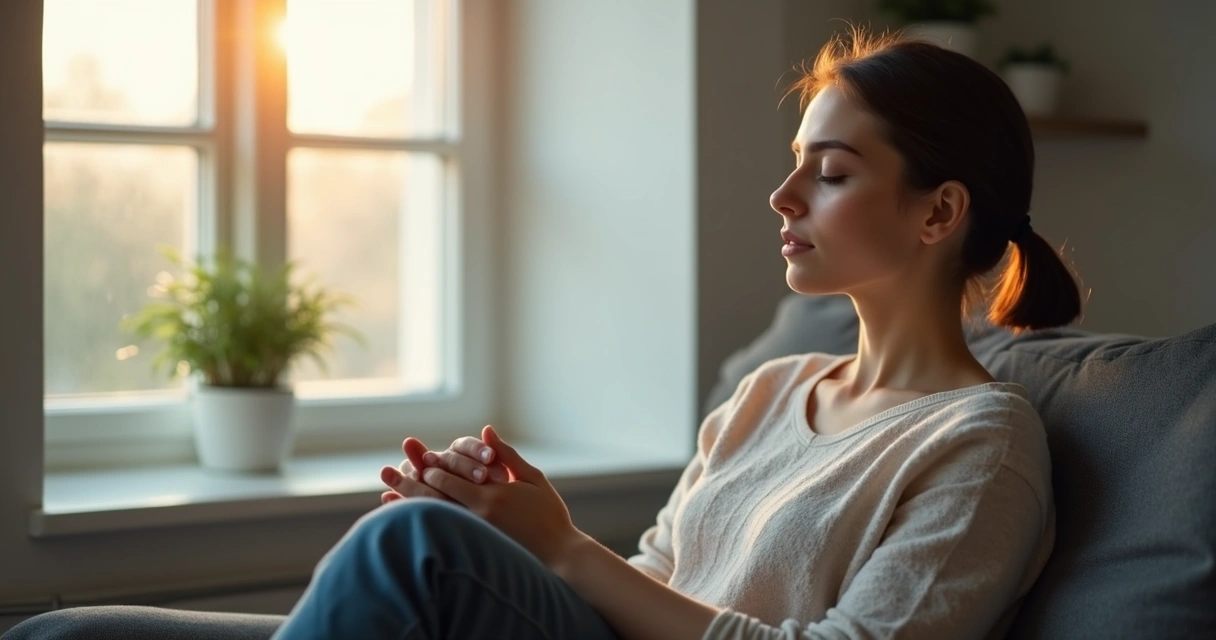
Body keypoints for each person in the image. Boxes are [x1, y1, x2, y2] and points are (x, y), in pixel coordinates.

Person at [270, 26, 1081, 640]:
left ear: (939, 210)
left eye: (831, 173)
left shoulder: (984, 444)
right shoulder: (771, 389)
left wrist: (563, 550)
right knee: (419, 536)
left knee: (417, 543)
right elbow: (659, 582)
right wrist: (530, 529)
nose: (783, 195)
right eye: (796, 161)